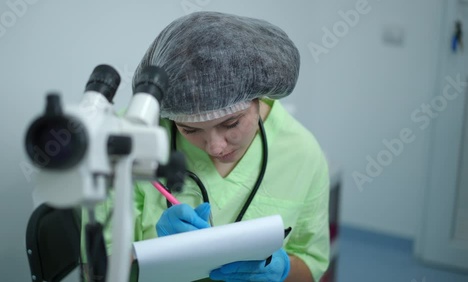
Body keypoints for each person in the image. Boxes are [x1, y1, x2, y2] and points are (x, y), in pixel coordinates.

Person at [82, 11, 330, 282]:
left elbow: (310, 265)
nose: (214, 146)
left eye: (231, 123)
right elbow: (96, 270)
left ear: (259, 97)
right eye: (189, 129)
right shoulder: (127, 142)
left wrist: (280, 269)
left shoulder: (302, 154)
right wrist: (152, 252)